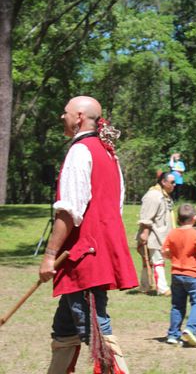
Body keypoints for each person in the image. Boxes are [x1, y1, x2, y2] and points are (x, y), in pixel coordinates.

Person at [39, 96, 138, 374]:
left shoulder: (80, 151)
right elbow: (115, 207)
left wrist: (49, 255)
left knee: (94, 328)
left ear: (79, 117)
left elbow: (69, 210)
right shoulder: (108, 154)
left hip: (84, 257)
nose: (62, 116)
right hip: (95, 252)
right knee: (65, 328)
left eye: (66, 112)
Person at [162, 204, 196, 347]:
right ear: (194, 218)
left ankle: (173, 335)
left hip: (177, 274)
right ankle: (191, 329)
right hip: (194, 275)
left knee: (177, 305)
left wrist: (173, 257)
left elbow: (164, 252)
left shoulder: (172, 233)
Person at [136, 172, 175, 296]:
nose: (174, 185)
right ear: (163, 182)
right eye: (172, 182)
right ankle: (162, 288)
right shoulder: (154, 195)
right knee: (157, 260)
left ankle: (145, 285)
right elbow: (147, 216)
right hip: (154, 234)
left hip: (161, 233)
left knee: (151, 260)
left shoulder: (164, 195)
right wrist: (144, 233)